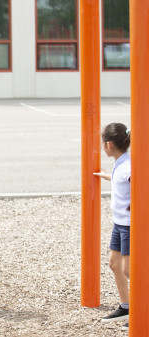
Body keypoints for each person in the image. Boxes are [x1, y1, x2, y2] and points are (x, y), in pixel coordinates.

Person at [94, 122, 131, 331]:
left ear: (108, 145)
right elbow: (122, 181)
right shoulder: (121, 162)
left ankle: (143, 309)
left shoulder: (128, 166)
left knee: (129, 269)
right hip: (119, 224)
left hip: (129, 225)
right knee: (114, 265)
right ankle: (126, 306)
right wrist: (107, 176)